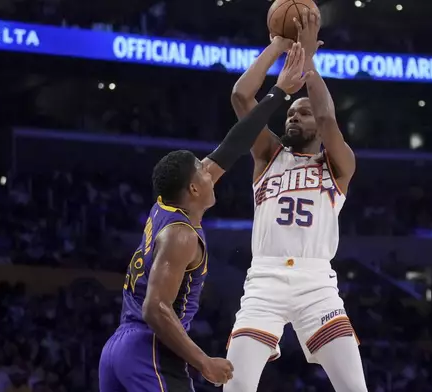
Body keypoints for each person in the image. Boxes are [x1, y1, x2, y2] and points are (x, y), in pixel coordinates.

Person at [98, 43, 313, 392]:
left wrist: (277, 82)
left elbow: (234, 143)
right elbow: (156, 308)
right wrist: (203, 362)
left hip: (118, 348)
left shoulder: (167, 205)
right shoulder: (181, 234)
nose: (209, 169)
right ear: (194, 189)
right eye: (201, 169)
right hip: (148, 350)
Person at [225, 10, 368, 392]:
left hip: (316, 282)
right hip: (264, 281)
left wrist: (308, 63)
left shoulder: (338, 164)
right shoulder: (267, 155)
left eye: (300, 113)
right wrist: (277, 45)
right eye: (289, 112)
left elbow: (325, 115)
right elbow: (241, 95)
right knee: (236, 387)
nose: (294, 117)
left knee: (354, 388)